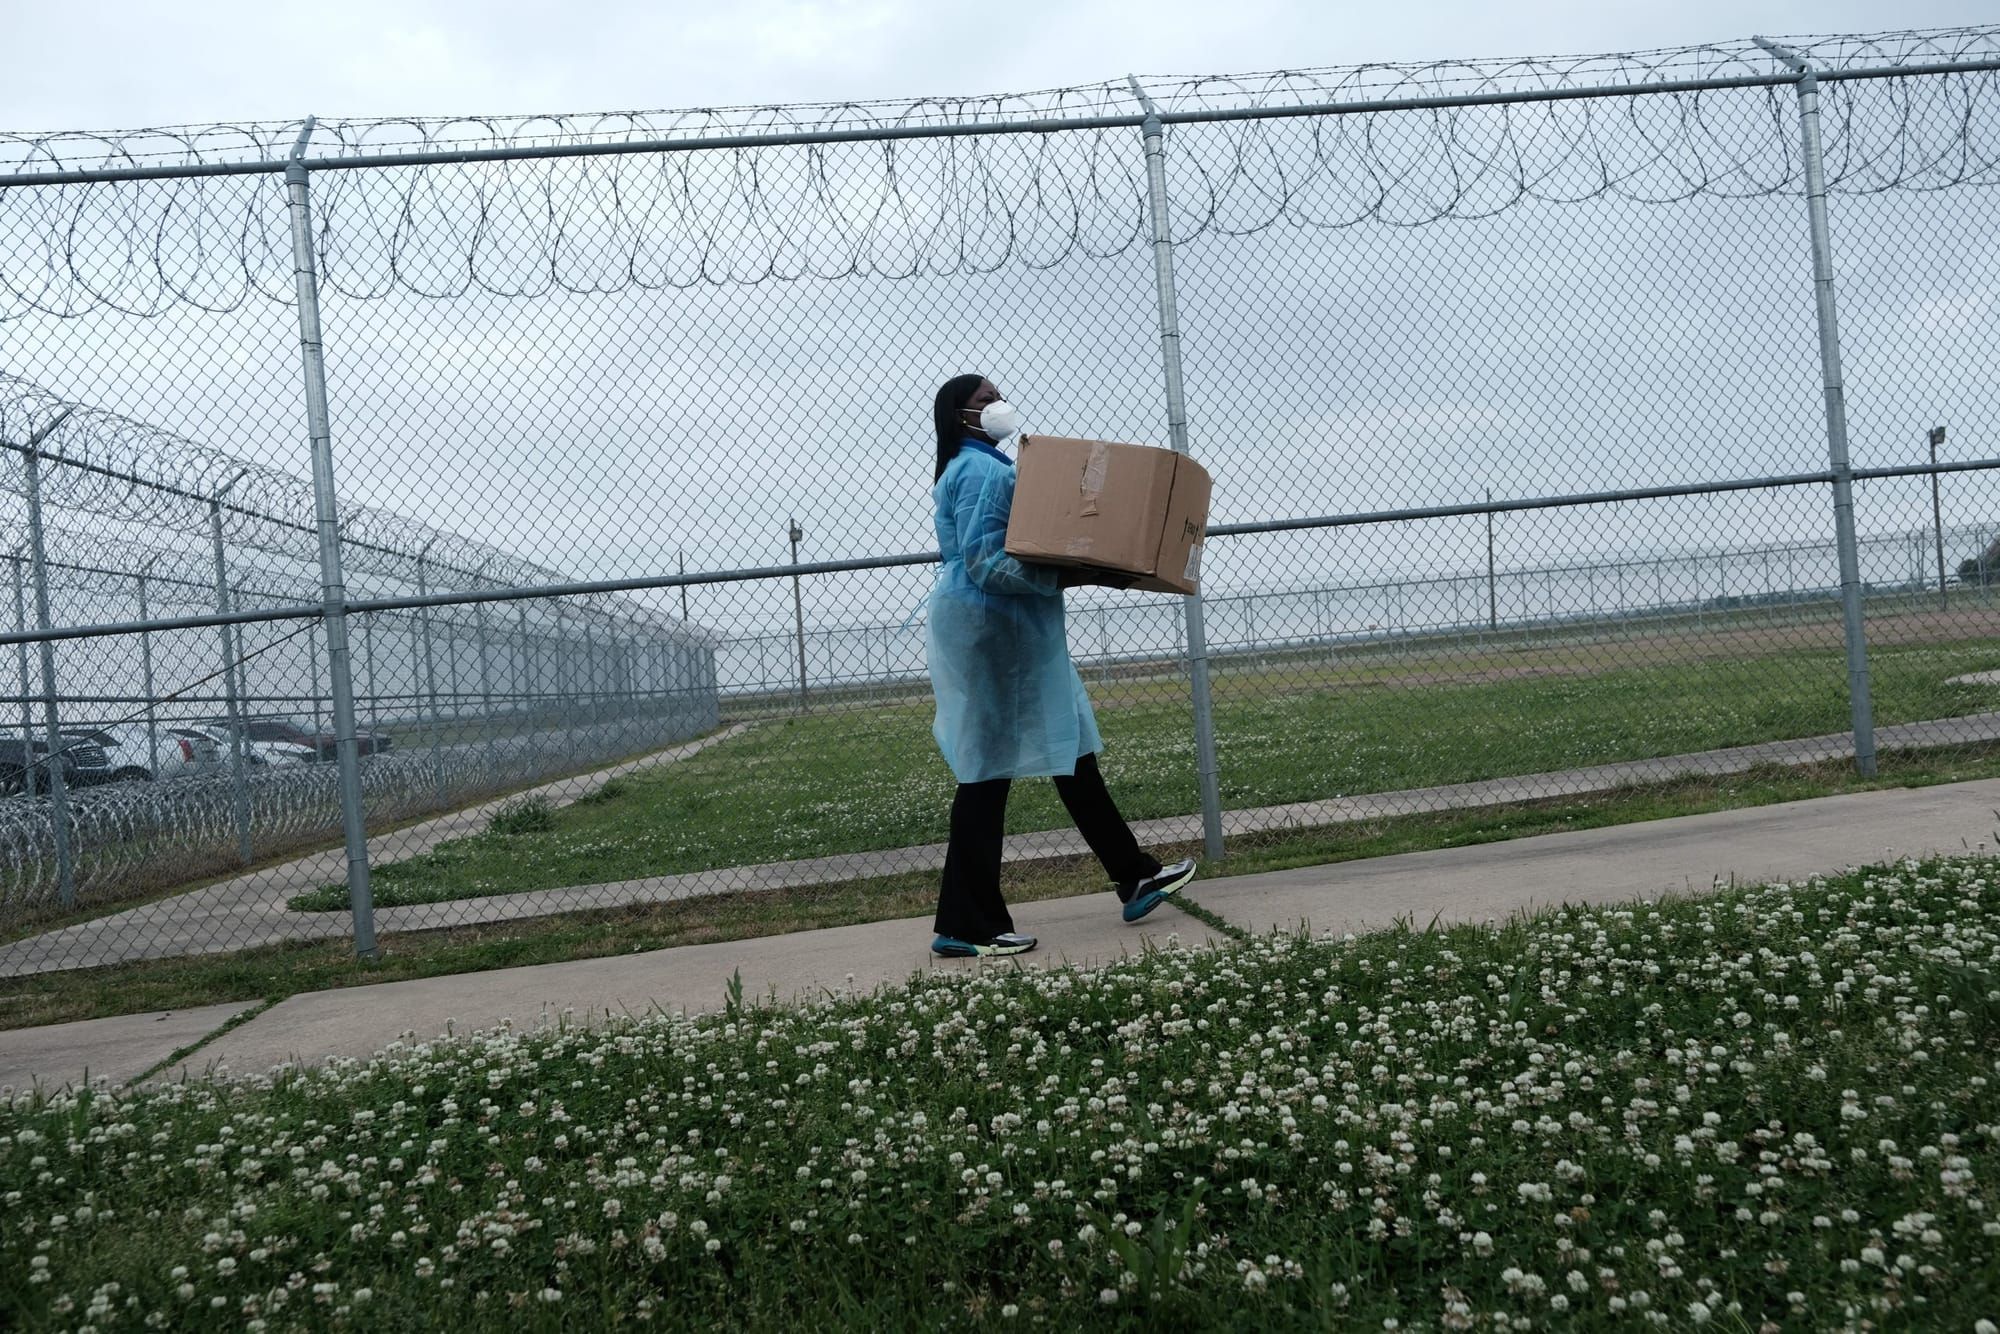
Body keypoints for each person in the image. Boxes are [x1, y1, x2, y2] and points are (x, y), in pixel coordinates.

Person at [924, 373, 1196, 958]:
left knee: (1070, 745)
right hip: (991, 630)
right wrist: (1072, 571)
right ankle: (965, 923)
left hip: (1018, 629)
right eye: (985, 400)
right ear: (959, 414)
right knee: (985, 771)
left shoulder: (991, 466)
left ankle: (1134, 875)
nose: (998, 405)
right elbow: (984, 563)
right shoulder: (978, 471)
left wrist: (1077, 565)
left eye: (998, 396)